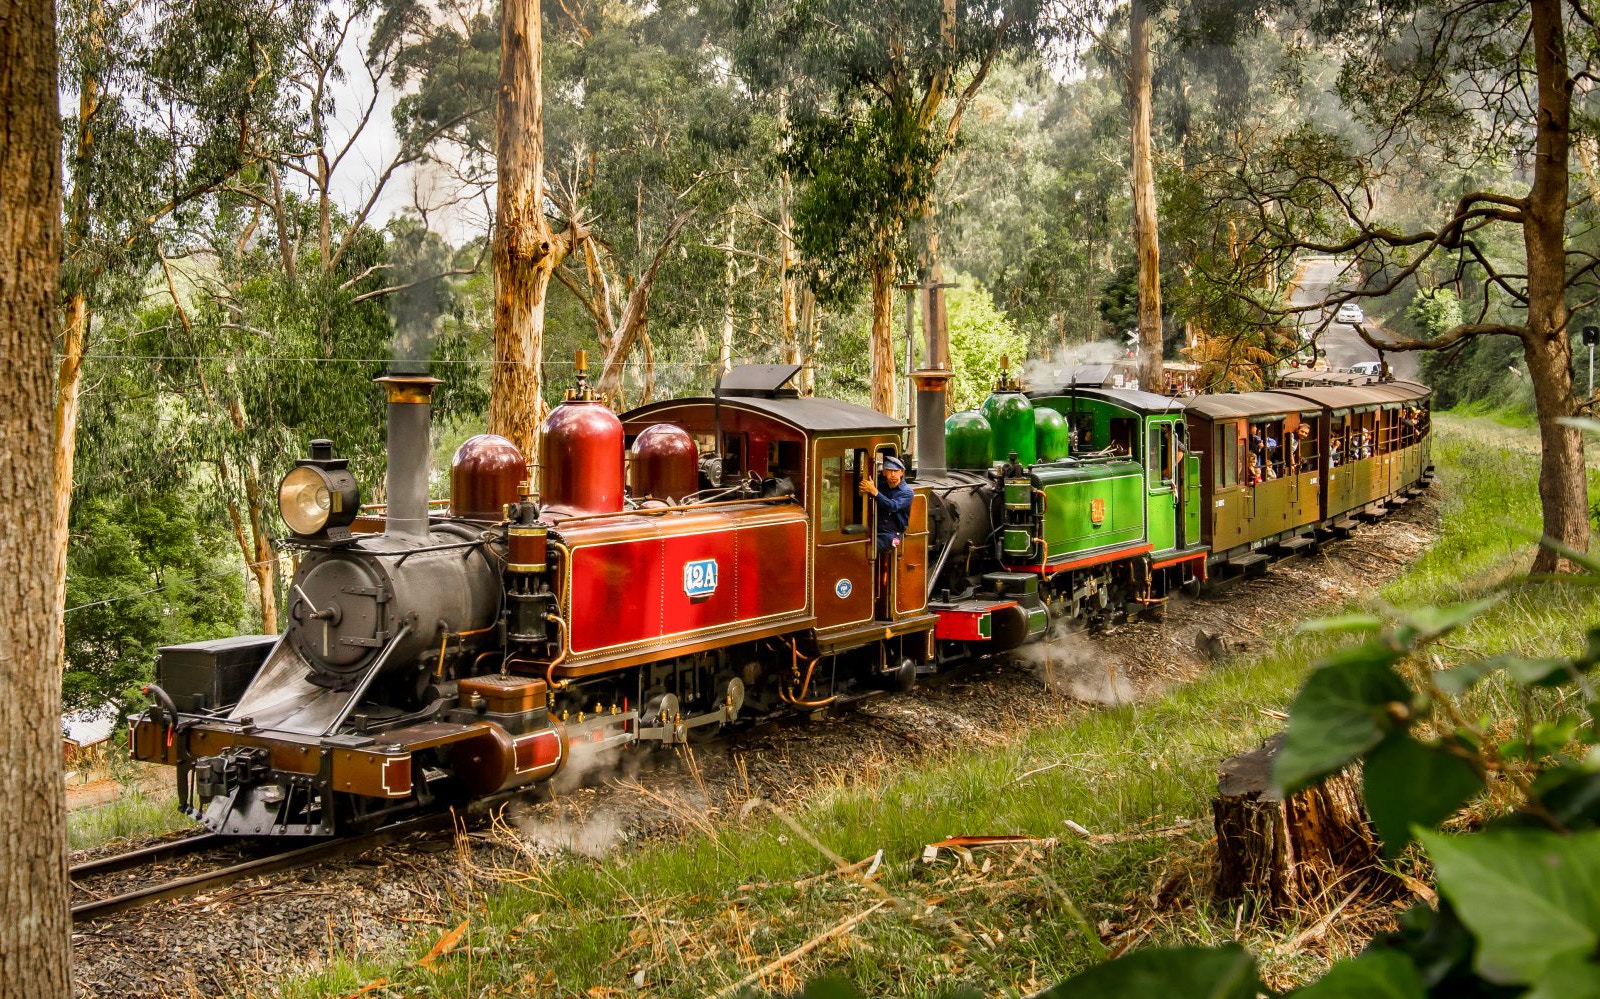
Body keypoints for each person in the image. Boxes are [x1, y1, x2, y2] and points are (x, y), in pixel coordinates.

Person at [859, 454, 914, 617]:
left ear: (902, 473)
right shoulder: (881, 485)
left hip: (894, 535)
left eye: (896, 471)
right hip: (875, 530)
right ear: (884, 474)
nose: (893, 475)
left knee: (869, 548)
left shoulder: (906, 492)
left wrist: (874, 492)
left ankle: (869, 594)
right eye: (889, 471)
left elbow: (892, 506)